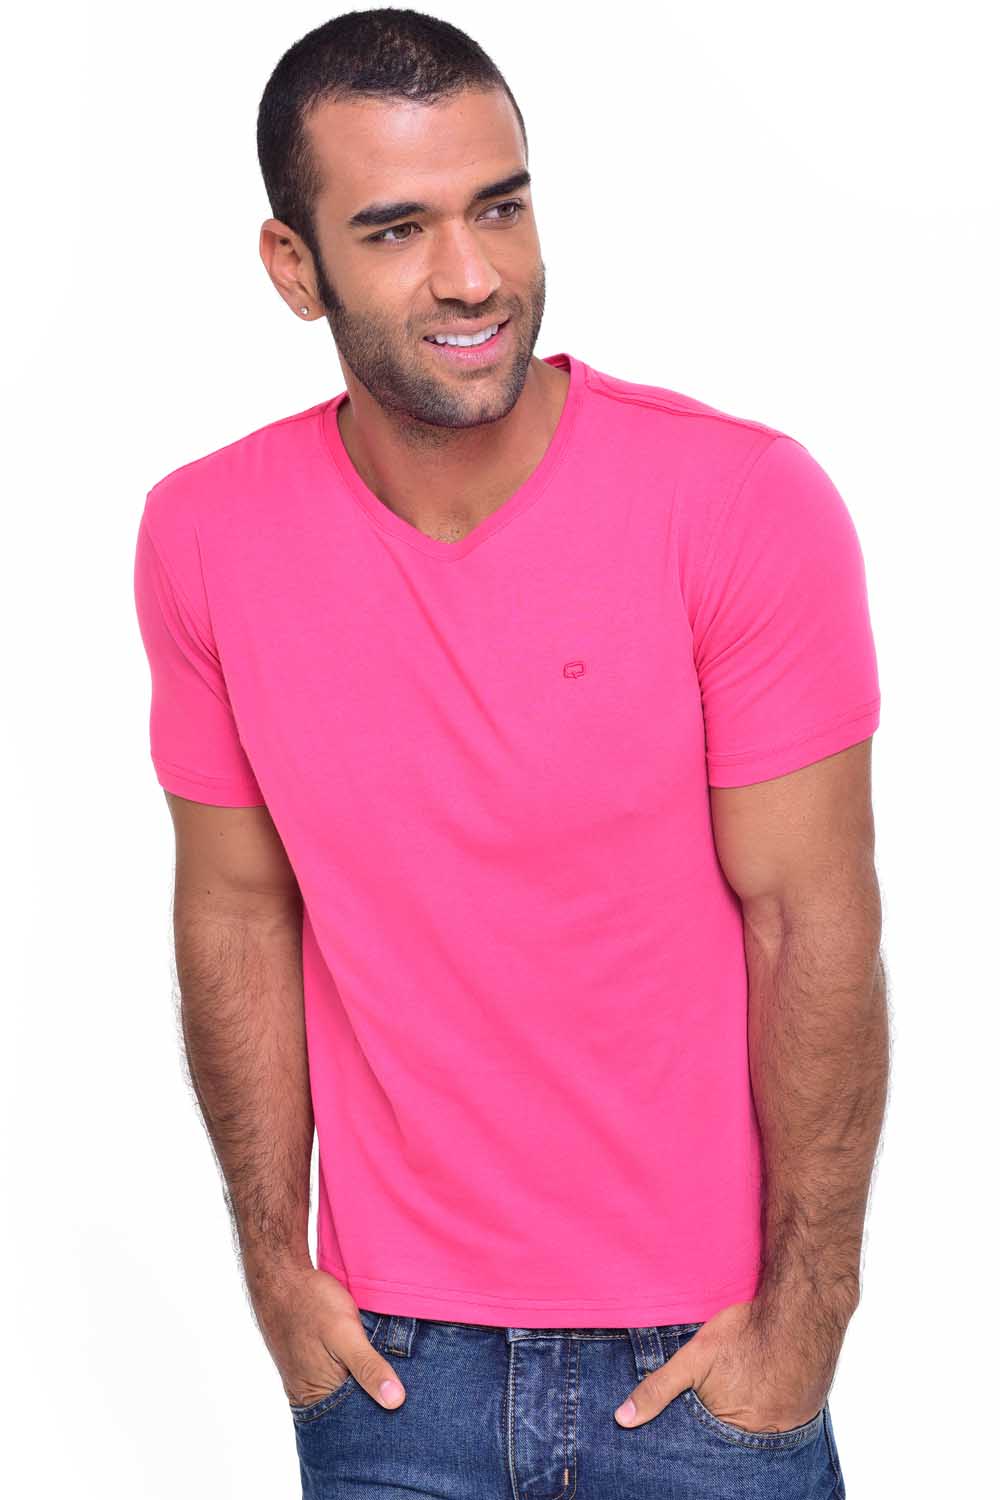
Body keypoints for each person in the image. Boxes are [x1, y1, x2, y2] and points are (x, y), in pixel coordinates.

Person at [132, 9, 888, 1497]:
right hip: (391, 1369)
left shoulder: (738, 503)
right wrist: (275, 1266)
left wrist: (803, 1325)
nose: (472, 275)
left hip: (703, 1361)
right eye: (396, 229)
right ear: (295, 267)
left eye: (500, 206)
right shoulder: (204, 535)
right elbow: (235, 909)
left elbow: (815, 922)